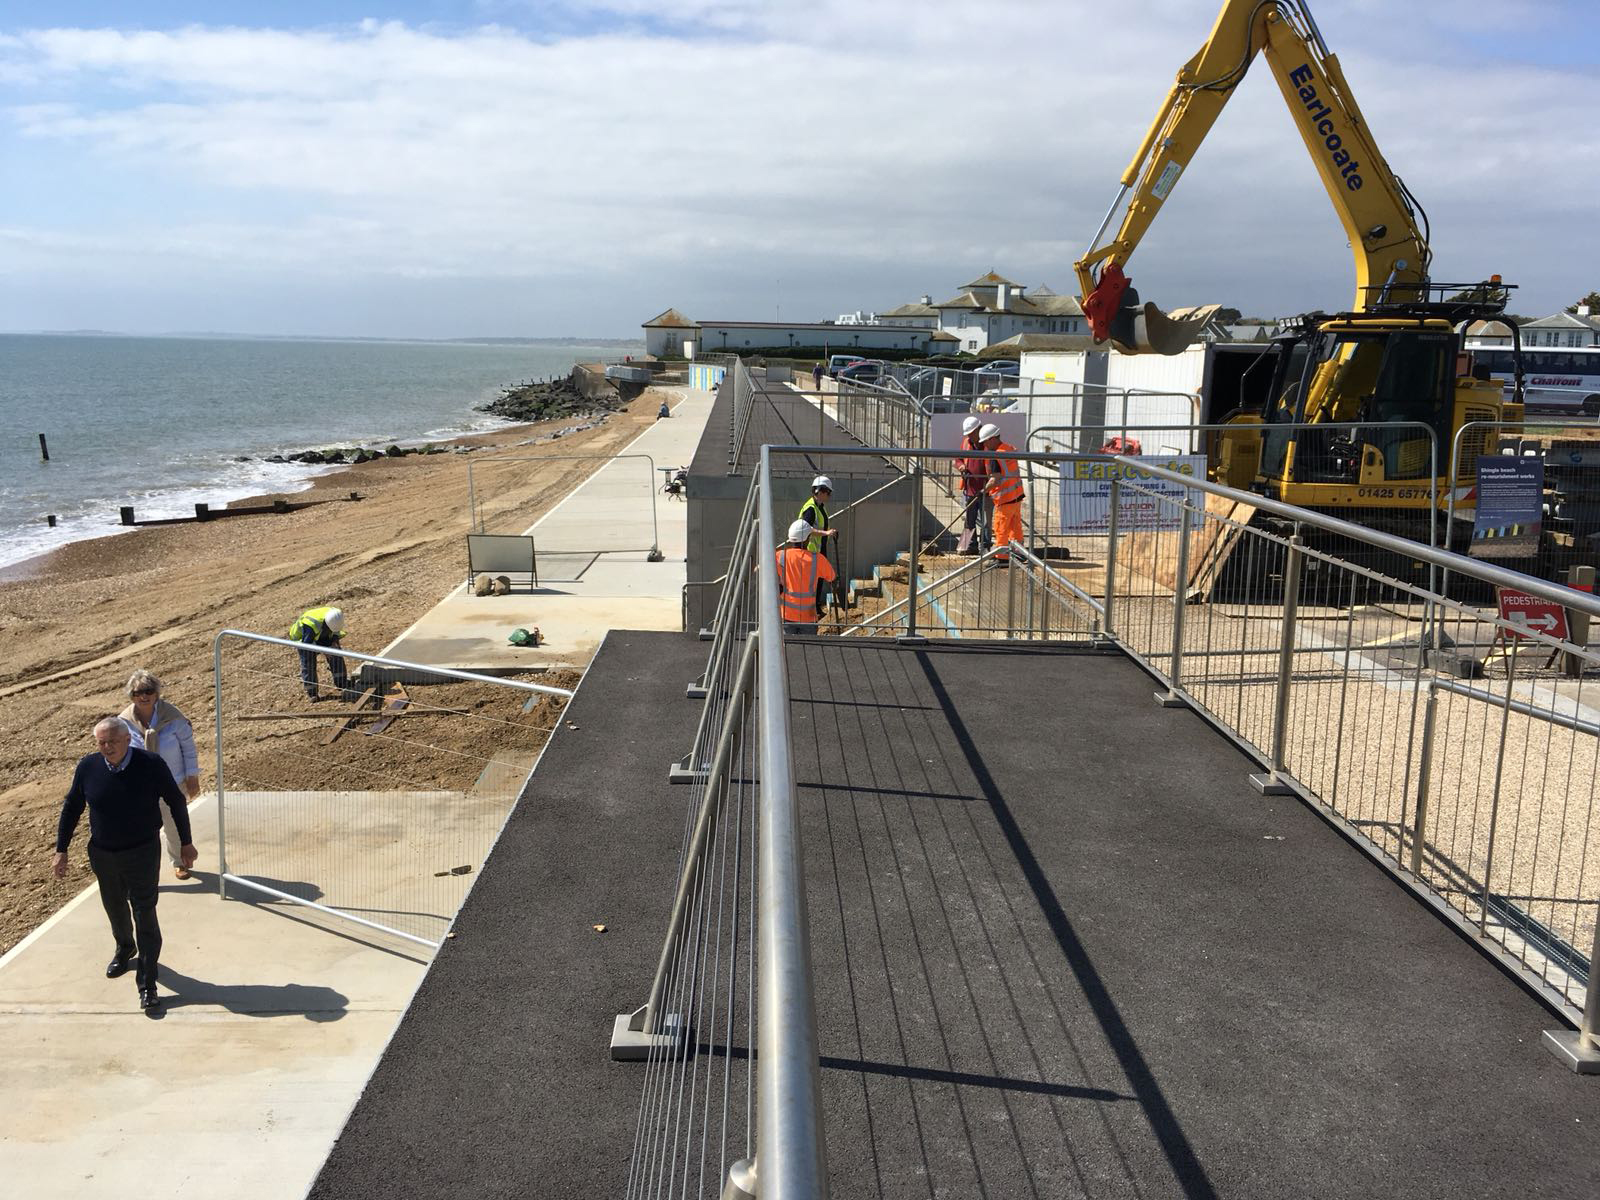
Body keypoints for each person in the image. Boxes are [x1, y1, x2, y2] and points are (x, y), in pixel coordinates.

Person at [53, 717, 197, 1011]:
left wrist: (185, 842)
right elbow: (72, 807)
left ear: (127, 740)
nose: (107, 748)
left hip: (142, 852)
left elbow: (176, 801)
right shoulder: (88, 767)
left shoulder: (151, 764)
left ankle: (148, 984)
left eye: (113, 742)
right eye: (101, 743)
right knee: (115, 906)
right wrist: (61, 849)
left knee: (145, 913)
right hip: (103, 854)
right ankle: (124, 947)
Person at [119, 670, 201, 880]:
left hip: (173, 782)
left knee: (173, 825)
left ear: (156, 693)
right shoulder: (125, 722)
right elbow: (121, 753)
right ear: (131, 696)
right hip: (141, 786)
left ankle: (179, 862)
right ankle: (147, 869)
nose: (143, 696)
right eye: (138, 692)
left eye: (148, 691)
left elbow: (189, 749)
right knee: (145, 830)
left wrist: (192, 777)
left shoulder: (173, 717)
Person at [776, 519, 837, 636]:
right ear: (807, 538)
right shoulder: (817, 559)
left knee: (787, 650)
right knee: (808, 650)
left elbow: (762, 568)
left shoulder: (780, 556)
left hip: (786, 615)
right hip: (808, 617)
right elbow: (832, 578)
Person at [979, 422, 1026, 565]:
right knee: (1015, 526)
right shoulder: (1009, 449)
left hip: (1005, 498)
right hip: (1017, 496)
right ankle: (1019, 553)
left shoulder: (995, 456)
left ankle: (1002, 558)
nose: (985, 445)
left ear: (993, 438)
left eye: (986, 441)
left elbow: (995, 479)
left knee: (1001, 528)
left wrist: (983, 491)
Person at [798, 475, 839, 615]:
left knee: (819, 579)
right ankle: (812, 609)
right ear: (820, 491)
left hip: (819, 549)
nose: (829, 495)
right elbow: (806, 529)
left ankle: (815, 607)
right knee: (813, 581)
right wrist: (826, 533)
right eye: (828, 492)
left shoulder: (819, 506)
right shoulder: (810, 509)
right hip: (811, 551)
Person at [291, 605, 351, 702]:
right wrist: (324, 650)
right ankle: (312, 693)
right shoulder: (311, 624)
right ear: (326, 624)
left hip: (321, 635)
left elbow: (335, 632)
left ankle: (342, 682)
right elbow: (307, 644)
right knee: (308, 663)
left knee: (336, 654)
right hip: (304, 640)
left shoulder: (336, 616)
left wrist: (333, 643)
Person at [956, 415, 991, 555]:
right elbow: (957, 459)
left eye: (972, 433)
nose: (970, 436)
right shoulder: (966, 442)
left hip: (986, 490)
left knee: (986, 521)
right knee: (969, 520)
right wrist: (961, 466)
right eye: (968, 433)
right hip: (970, 489)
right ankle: (969, 546)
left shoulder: (988, 444)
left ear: (979, 429)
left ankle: (986, 548)